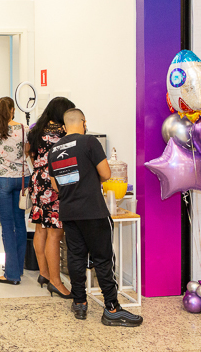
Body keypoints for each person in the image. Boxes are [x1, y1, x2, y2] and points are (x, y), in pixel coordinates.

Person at [49, 109, 143, 327]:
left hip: (69, 212)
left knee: (76, 258)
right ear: (83, 122)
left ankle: (80, 303)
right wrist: (89, 178)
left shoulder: (54, 150)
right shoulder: (89, 142)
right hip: (93, 211)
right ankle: (112, 308)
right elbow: (107, 174)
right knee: (103, 258)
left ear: (64, 127)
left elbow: (55, 186)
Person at [27, 96, 75, 298]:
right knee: (55, 232)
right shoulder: (63, 133)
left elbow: (32, 156)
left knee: (41, 228)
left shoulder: (36, 131)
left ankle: (44, 273)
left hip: (38, 180)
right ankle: (56, 282)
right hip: (56, 181)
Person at [0, 97, 31, 285]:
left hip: (1, 179)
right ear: (13, 110)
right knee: (20, 224)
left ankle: (11, 274)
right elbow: (26, 152)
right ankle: (17, 268)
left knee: (7, 226)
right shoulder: (24, 129)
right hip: (22, 179)